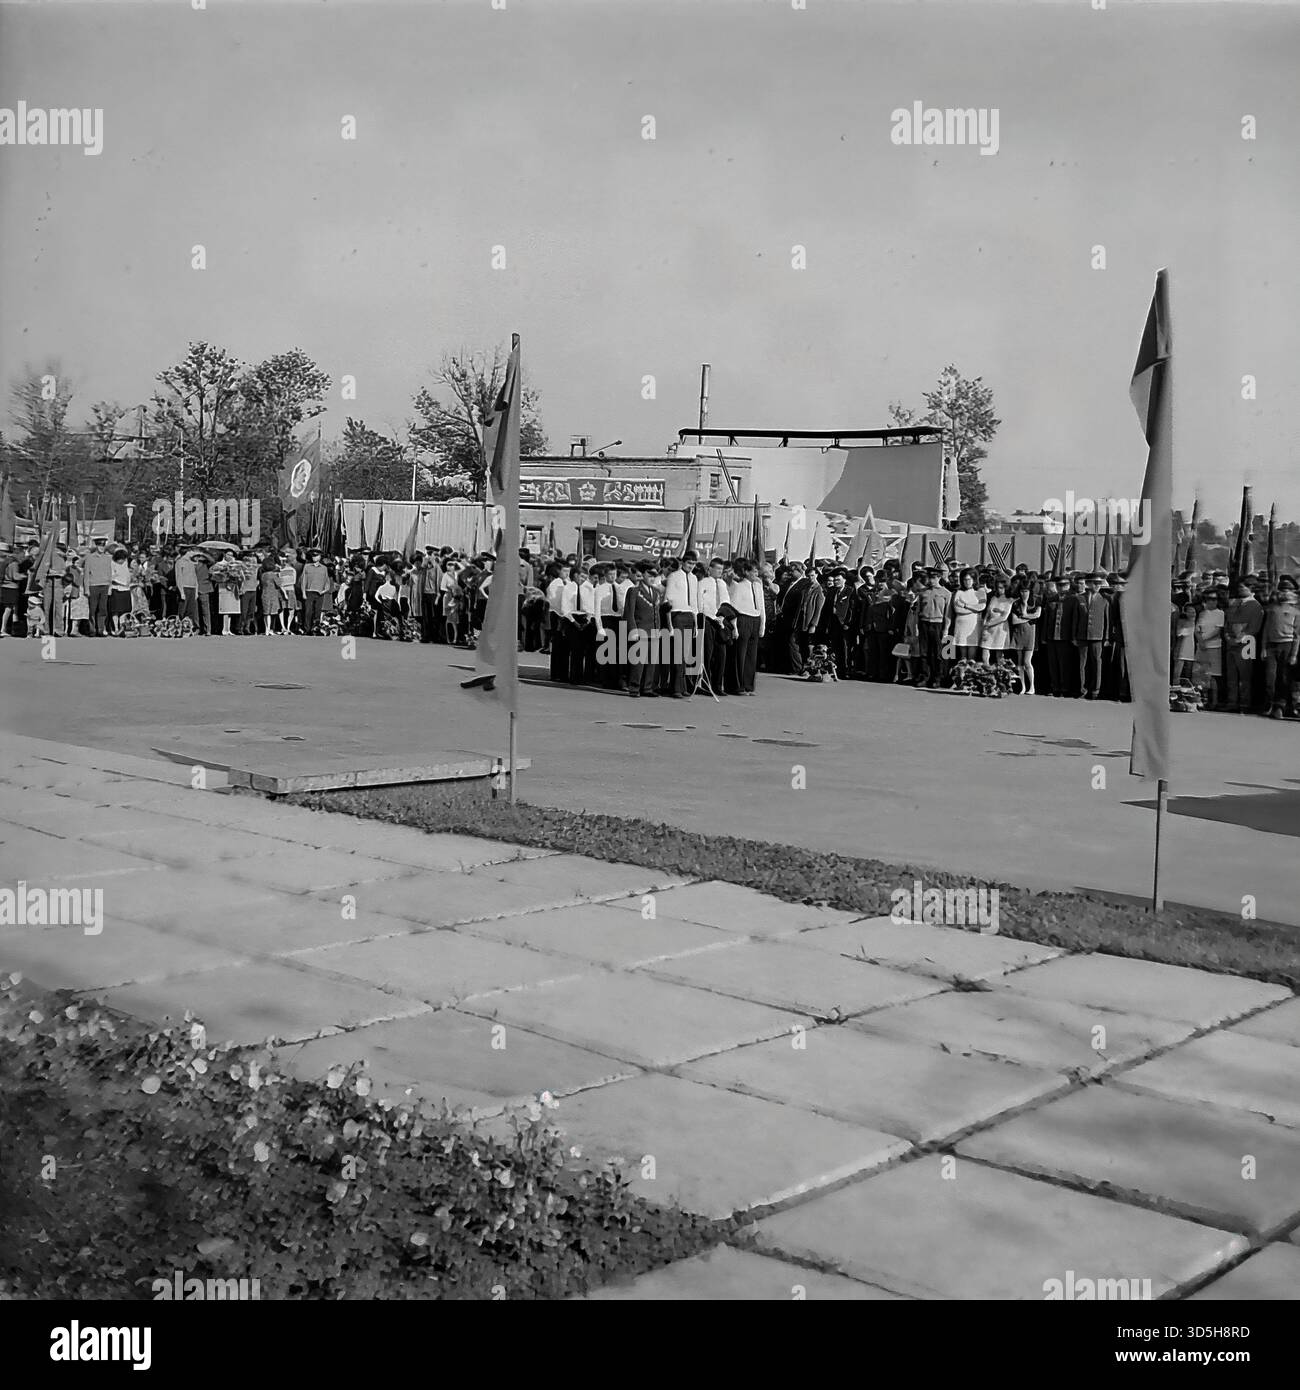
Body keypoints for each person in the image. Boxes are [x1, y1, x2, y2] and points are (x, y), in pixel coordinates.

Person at [1261, 576, 1299, 719]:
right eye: (1282, 589)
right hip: (1271, 645)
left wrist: (1294, 654)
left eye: (1288, 590)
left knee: (1284, 678)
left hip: (1287, 644)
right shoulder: (1272, 609)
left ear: (1293, 592)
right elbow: (1266, 629)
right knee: (1270, 677)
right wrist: (1263, 648)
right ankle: (1269, 704)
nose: (1284, 592)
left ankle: (1280, 707)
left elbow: (1297, 635)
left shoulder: (1296, 612)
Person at [1224, 579, 1264, 713]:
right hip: (1231, 642)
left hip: (1247, 644)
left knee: (1245, 675)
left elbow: (1254, 628)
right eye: (1240, 587)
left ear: (1251, 589)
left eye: (1244, 587)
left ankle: (1244, 704)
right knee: (1231, 675)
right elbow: (1227, 623)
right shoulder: (1234, 604)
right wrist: (1228, 637)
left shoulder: (1256, 606)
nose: (1241, 589)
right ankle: (1232, 702)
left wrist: (1239, 639)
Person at [727, 557, 765, 695]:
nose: (756, 574)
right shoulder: (740, 586)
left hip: (755, 619)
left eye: (757, 572)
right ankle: (738, 686)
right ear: (746, 572)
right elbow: (734, 608)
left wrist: (762, 626)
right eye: (753, 572)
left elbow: (762, 608)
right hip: (743, 619)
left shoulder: (758, 586)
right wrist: (735, 627)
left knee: (751, 656)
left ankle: (749, 685)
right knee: (740, 655)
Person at [624, 560, 662, 697]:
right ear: (642, 574)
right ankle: (634, 687)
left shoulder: (656, 592)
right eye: (649, 575)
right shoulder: (634, 591)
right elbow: (629, 612)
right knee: (638, 661)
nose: (652, 578)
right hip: (640, 630)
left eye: (654, 575)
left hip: (654, 630)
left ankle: (647, 687)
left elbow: (657, 612)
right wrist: (632, 630)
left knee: (651, 661)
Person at [1072, 572, 1110, 699]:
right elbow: (1075, 620)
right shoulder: (1079, 599)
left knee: (1096, 662)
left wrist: (1106, 638)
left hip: (1097, 636)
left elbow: (1107, 621)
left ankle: (1096, 690)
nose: (1097, 586)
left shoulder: (1104, 600)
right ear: (1089, 584)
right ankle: (1082, 689)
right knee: (1082, 663)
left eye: (1099, 583)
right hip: (1082, 636)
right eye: (1095, 583)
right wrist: (1074, 636)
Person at [915, 569, 950, 687]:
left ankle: (937, 678)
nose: (931, 580)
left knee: (938, 653)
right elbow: (918, 611)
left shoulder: (946, 593)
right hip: (924, 622)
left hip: (938, 623)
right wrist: (916, 626)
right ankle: (925, 676)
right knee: (924, 652)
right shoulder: (923, 592)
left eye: (934, 578)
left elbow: (948, 614)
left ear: (939, 578)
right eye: (930, 578)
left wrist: (946, 629)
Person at [1193, 589, 1225, 709]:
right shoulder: (1202, 613)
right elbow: (1197, 629)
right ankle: (1201, 699)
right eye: (1209, 599)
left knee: (1213, 675)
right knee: (1200, 674)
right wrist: (1200, 640)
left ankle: (1214, 701)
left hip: (1214, 646)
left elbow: (1217, 630)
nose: (1212, 601)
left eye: (1214, 599)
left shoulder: (1220, 613)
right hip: (1201, 647)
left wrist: (1203, 639)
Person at [1009, 587, 1041, 694]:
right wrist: (1028, 617)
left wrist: (1025, 615)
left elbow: (1037, 615)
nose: (1024, 593)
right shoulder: (1015, 604)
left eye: (1026, 591)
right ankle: (1022, 686)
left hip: (1030, 634)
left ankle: (1032, 686)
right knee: (1019, 662)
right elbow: (1014, 620)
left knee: (1027, 661)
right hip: (1018, 633)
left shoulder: (1035, 601)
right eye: (1022, 591)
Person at [949, 569, 984, 663]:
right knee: (962, 650)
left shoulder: (980, 591)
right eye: (964, 580)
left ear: (974, 580)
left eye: (969, 579)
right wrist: (973, 610)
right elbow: (957, 609)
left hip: (974, 625)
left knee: (972, 648)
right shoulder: (959, 592)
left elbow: (981, 607)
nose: (967, 582)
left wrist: (965, 605)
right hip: (961, 625)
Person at [83, 534, 113, 636]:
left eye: (103, 545)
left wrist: (110, 587)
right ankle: (92, 629)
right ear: (96, 546)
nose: (101, 547)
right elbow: (86, 573)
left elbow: (110, 573)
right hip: (93, 585)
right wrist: (86, 588)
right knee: (92, 609)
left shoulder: (108, 558)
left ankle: (100, 629)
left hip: (104, 585)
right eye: (100, 545)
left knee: (103, 609)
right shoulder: (89, 558)